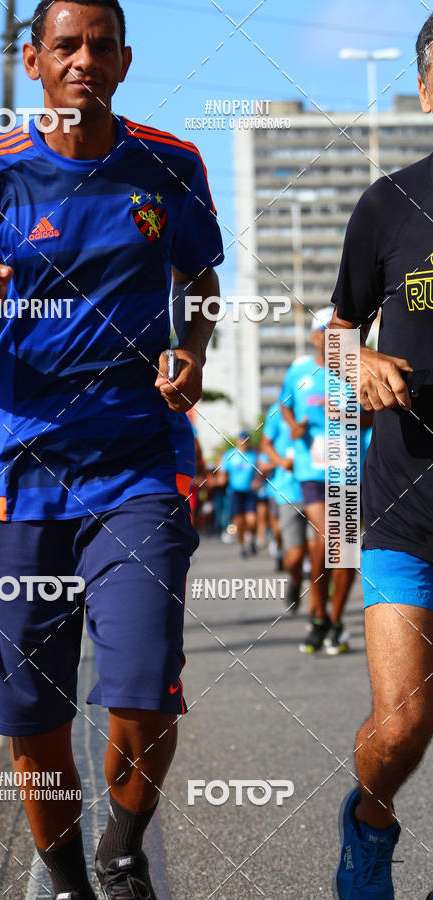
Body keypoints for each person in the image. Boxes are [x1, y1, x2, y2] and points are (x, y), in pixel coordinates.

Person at [0, 2, 224, 898]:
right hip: (22, 474)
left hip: (139, 466)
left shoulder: (170, 165)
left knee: (143, 686)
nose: (83, 60)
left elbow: (201, 276)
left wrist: (193, 351)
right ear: (33, 59)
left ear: (124, 61)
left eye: (100, 46)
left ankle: (122, 855)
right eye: (65, 45)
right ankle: (64, 880)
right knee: (34, 708)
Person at [332, 13, 433, 896]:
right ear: (428, 90)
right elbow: (332, 335)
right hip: (407, 503)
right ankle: (368, 818)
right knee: (402, 727)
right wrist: (356, 358)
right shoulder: (388, 204)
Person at [280, 309, 356, 653]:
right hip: (312, 469)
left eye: (340, 331)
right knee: (326, 538)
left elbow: (374, 416)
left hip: (350, 466)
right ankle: (317, 613)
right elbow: (284, 405)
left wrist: (348, 414)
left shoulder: (356, 370)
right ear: (315, 336)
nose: (333, 337)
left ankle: (334, 620)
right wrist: (294, 424)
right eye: (327, 330)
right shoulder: (299, 371)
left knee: (346, 551)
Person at [260, 403, 309, 614]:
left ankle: (321, 616)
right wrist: (282, 462)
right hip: (289, 492)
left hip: (326, 488)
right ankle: (295, 580)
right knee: (295, 557)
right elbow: (265, 448)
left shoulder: (325, 401)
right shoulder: (276, 412)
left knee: (327, 554)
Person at [219, 431, 258, 557]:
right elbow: (223, 472)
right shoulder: (230, 455)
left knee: (252, 520)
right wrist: (221, 479)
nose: (243, 442)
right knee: (239, 522)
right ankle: (242, 546)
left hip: (250, 492)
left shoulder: (254, 455)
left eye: (246, 440)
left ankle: (250, 538)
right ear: (237, 441)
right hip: (235, 492)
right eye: (241, 440)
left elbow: (260, 472)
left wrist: (257, 481)